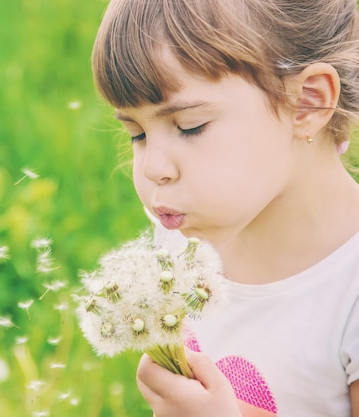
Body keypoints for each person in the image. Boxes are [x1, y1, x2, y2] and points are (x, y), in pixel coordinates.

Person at [90, 0, 359, 416]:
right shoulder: (181, 237)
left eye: (189, 127)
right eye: (137, 133)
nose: (153, 168)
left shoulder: (348, 291)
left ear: (307, 102)